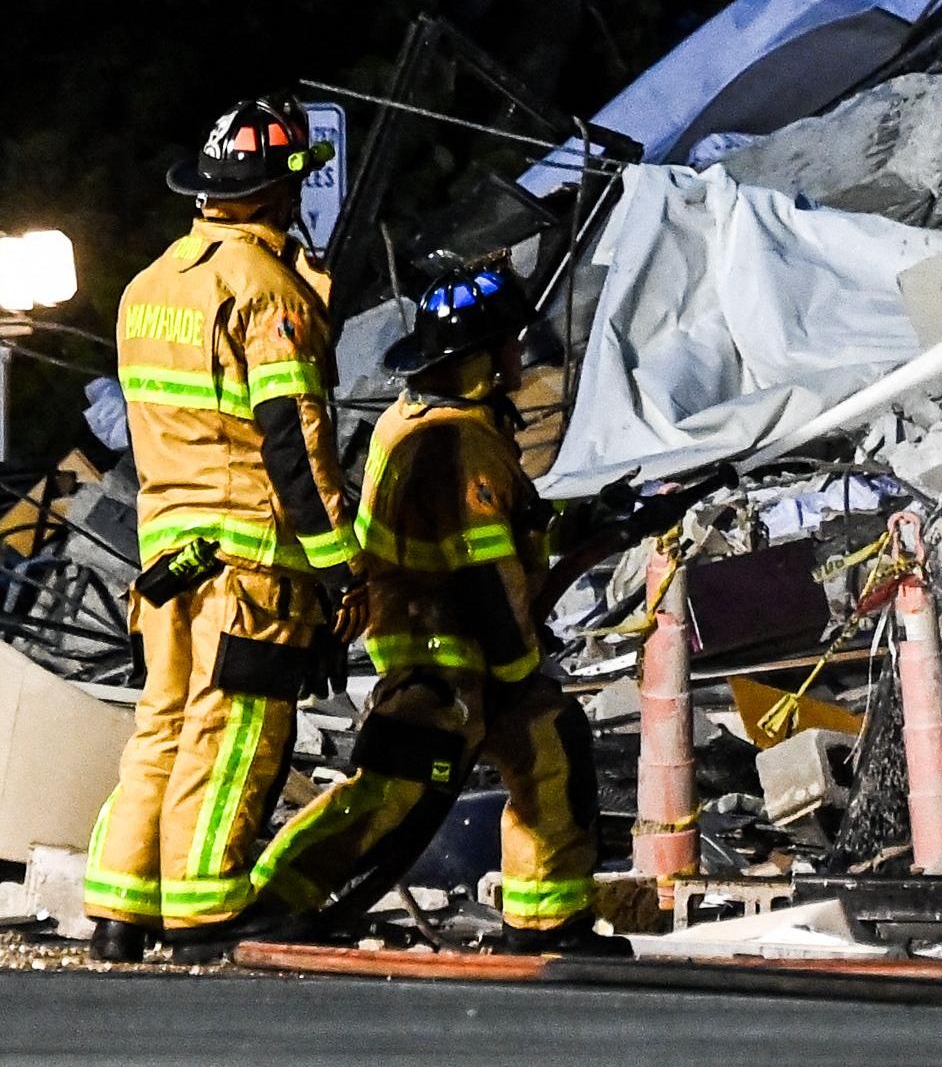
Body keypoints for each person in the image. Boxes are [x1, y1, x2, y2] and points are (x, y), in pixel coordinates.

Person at [248, 260, 608, 952]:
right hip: (444, 651)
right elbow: (480, 568)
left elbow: (500, 531)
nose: (519, 354)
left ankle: (547, 920)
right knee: (391, 792)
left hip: (448, 644)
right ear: (480, 355)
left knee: (547, 746)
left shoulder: (429, 417)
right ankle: (275, 902)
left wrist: (575, 524)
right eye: (507, 341)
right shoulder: (459, 436)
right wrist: (516, 664)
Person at [85, 98, 361, 963]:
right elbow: (296, 444)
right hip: (249, 561)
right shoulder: (268, 293)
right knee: (233, 731)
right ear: (283, 192)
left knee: (162, 724)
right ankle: (204, 914)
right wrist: (341, 570)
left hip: (165, 555)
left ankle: (119, 912)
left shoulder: (149, 287)